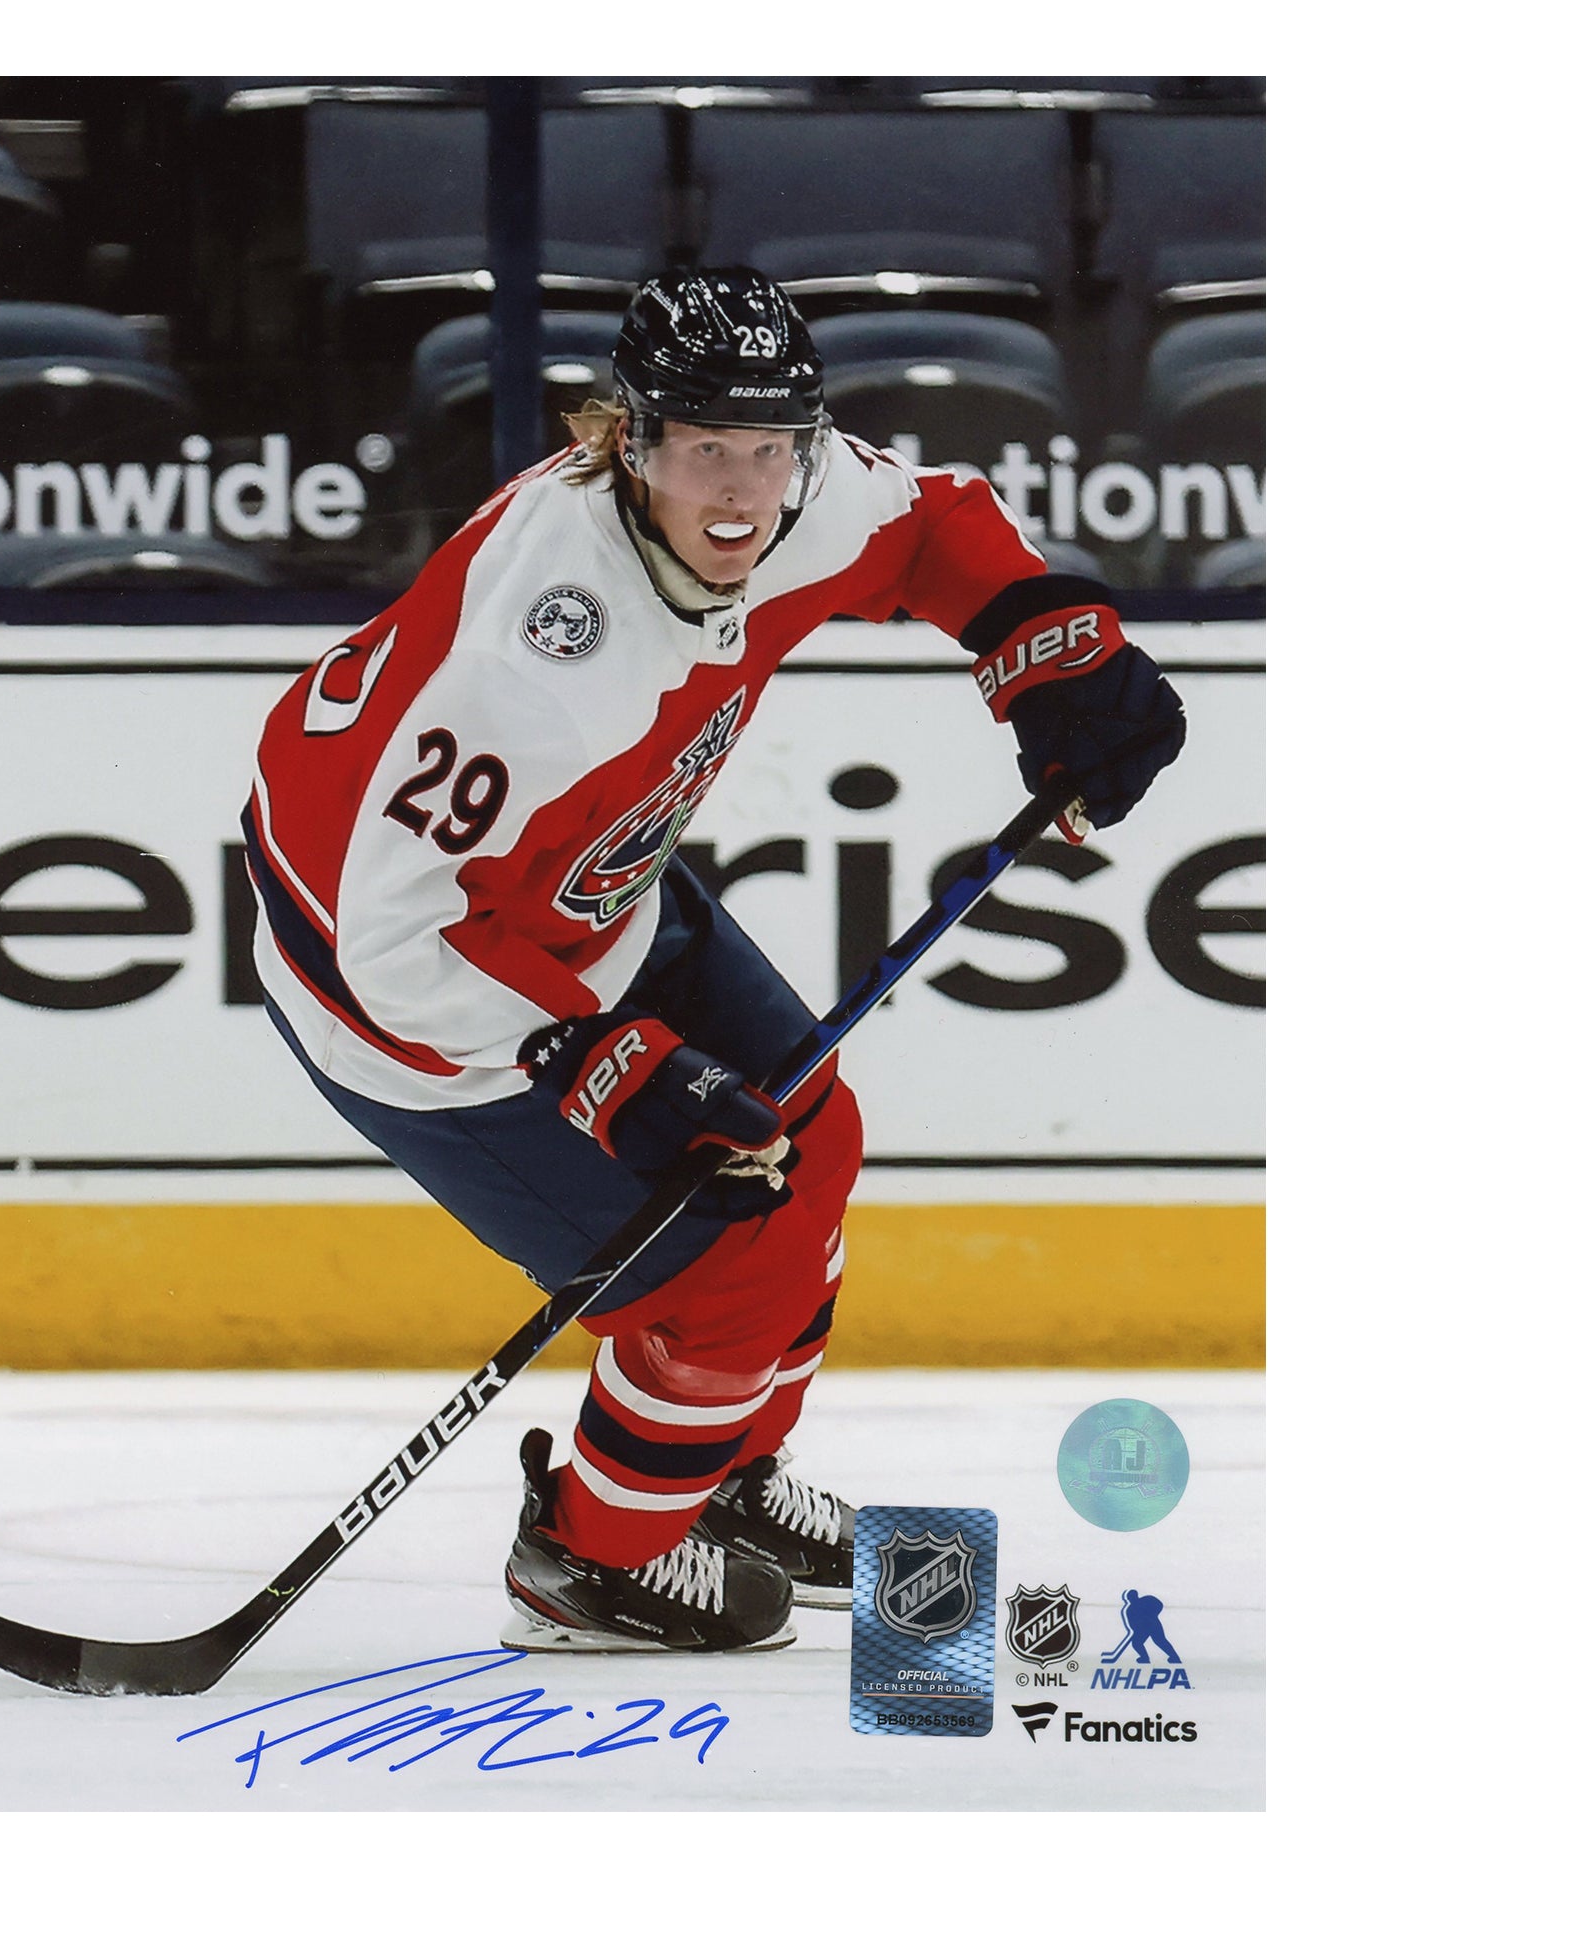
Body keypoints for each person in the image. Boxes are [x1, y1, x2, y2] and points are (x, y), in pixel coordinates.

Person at [244, 267, 1184, 1652]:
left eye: (769, 447)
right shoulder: (540, 652)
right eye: (703, 450)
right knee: (726, 1263)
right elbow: (394, 937)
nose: (741, 492)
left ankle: (720, 1474)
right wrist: (607, 1065)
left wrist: (1046, 650)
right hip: (406, 998)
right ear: (629, 441)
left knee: (813, 1131)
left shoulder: (796, 492)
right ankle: (589, 1560)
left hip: (593, 888)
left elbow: (933, 524)